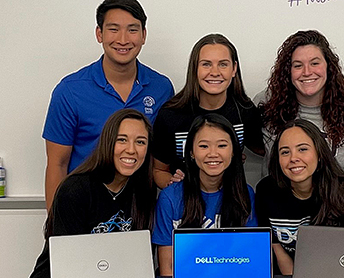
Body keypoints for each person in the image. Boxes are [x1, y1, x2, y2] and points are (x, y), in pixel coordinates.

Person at [42, 0, 174, 209]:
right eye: (113, 29)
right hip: (83, 210)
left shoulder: (161, 88)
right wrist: (56, 228)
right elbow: (57, 164)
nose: (123, 39)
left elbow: (163, 157)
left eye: (132, 30)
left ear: (143, 35)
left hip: (139, 212)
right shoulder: (70, 91)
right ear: (99, 34)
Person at [30, 109, 157, 278]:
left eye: (140, 142)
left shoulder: (144, 190)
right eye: (122, 140)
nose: (131, 150)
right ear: (108, 142)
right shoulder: (75, 189)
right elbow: (67, 261)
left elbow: (140, 260)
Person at [254, 29, 344, 192]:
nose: (307, 72)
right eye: (298, 65)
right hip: (280, 209)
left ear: (329, 67)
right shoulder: (267, 102)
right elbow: (251, 141)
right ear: (287, 71)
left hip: (338, 207)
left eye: (315, 63)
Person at [152, 33, 264, 188]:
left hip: (230, 201)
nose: (215, 72)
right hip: (187, 203)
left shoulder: (244, 110)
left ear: (234, 69)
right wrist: (175, 187)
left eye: (223, 64)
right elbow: (159, 170)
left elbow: (268, 149)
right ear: (194, 69)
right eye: (206, 64)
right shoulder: (171, 114)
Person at [152, 113, 258, 276]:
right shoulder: (170, 198)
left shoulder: (245, 194)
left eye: (222, 146)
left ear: (234, 152)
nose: (213, 153)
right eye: (203, 146)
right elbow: (169, 269)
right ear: (192, 152)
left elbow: (249, 259)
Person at [255, 119, 344, 275]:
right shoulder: (266, 190)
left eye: (302, 149)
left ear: (319, 154)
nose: (293, 158)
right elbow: (273, 243)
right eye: (285, 152)